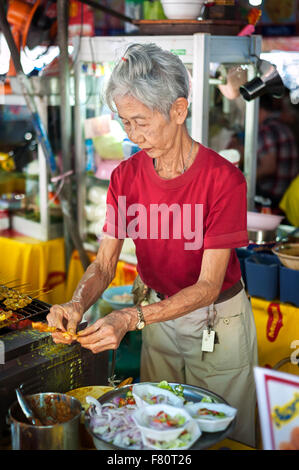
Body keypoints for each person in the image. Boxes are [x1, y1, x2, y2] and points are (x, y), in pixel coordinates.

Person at [47, 43, 258, 447]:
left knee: (220, 435)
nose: (133, 135)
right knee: (157, 431)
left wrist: (129, 319)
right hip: (157, 316)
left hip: (217, 321)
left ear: (179, 111)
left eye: (141, 122)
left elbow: (207, 286)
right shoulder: (125, 177)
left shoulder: (223, 180)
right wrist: (79, 302)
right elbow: (105, 265)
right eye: (125, 123)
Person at [256, 94, 299, 210]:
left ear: (257, 109)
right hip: (288, 198)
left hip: (272, 198)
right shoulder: (283, 127)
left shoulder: (265, 129)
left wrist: (243, 177)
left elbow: (269, 167)